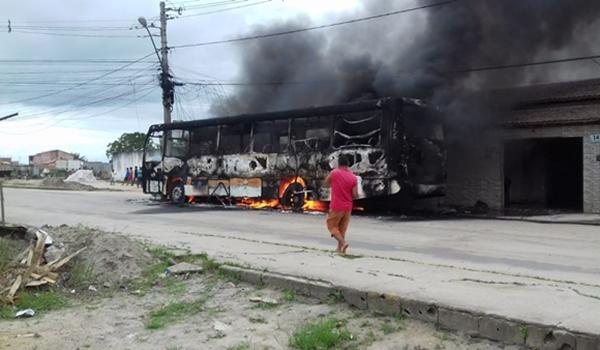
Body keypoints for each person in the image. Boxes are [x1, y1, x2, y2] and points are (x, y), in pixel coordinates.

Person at [324, 154, 358, 254]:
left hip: (336, 206)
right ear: (348, 164)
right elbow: (355, 195)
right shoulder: (353, 177)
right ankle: (340, 250)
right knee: (342, 229)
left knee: (332, 226)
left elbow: (326, 183)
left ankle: (343, 243)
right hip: (348, 207)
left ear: (338, 163)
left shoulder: (334, 173)